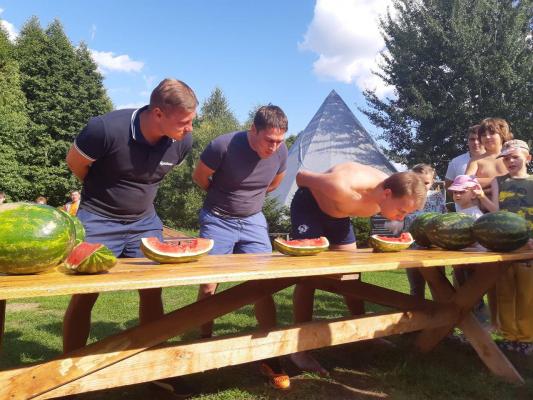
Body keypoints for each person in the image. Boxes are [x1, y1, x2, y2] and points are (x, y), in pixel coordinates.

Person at [63, 78, 198, 394]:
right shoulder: (105, 129)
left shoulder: (182, 141)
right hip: (98, 220)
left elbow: (153, 178)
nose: (190, 128)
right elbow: (76, 164)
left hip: (145, 222)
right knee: (85, 294)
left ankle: (154, 369)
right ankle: (69, 372)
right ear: (158, 113)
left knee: (152, 292)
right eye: (184, 121)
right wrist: (104, 197)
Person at [289, 162, 427, 374]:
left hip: (340, 214)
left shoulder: (393, 188)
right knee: (308, 277)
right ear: (387, 194)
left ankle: (362, 333)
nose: (402, 218)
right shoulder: (341, 185)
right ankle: (300, 349)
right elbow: (301, 177)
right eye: (401, 211)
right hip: (310, 207)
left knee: (352, 273)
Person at [192, 105, 290, 390]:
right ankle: (204, 342)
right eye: (269, 140)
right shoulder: (222, 146)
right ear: (253, 129)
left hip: (253, 220)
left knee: (263, 283)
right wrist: (225, 199)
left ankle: (270, 356)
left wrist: (248, 202)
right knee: (209, 284)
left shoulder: (281, 152)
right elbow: (200, 177)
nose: (274, 147)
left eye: (279, 141)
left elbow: (274, 184)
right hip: (217, 219)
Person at [475, 139, 533, 354]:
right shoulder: (498, 181)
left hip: (529, 247)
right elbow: (496, 211)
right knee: (505, 293)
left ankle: (527, 339)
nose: (510, 161)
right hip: (505, 245)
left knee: (527, 295)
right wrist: (482, 197)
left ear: (528, 158)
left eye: (515, 157)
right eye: (506, 158)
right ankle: (509, 336)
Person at [402, 164, 446, 299]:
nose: (423, 185)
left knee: (439, 286)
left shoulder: (438, 197)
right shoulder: (405, 198)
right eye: (419, 181)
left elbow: (444, 219)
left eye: (426, 183)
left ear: (432, 182)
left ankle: (441, 310)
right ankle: (417, 310)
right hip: (412, 249)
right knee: (416, 287)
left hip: (435, 249)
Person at [445, 125, 485, 211]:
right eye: (472, 139)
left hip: (490, 211)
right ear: (467, 141)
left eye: (479, 139)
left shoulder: (495, 160)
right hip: (464, 213)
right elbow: (448, 186)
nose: (476, 142)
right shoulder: (456, 162)